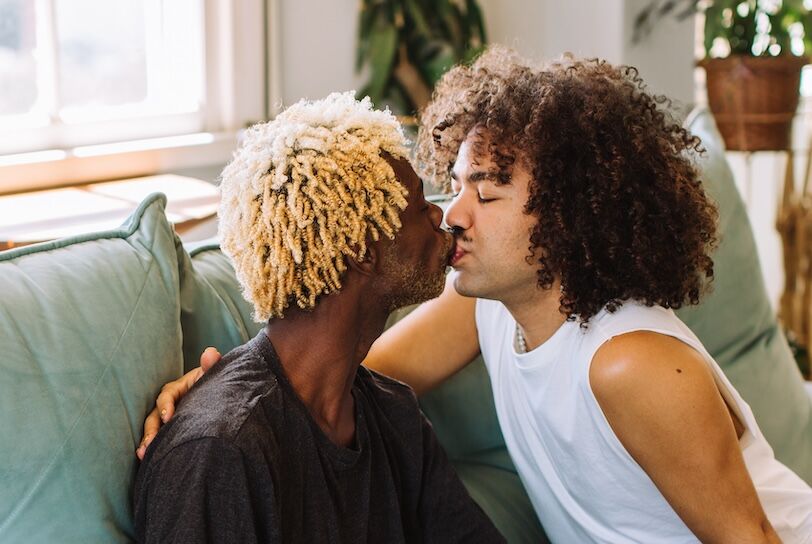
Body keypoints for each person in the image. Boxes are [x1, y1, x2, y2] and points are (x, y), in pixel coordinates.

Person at [141, 49, 812, 542]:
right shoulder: (487, 309)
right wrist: (208, 387)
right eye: (456, 184)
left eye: (486, 192)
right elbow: (326, 377)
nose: (453, 214)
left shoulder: (629, 362)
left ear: (569, 213)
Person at [133, 91, 505, 543]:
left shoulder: (394, 414)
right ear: (364, 250)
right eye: (418, 204)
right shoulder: (219, 452)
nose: (439, 217)